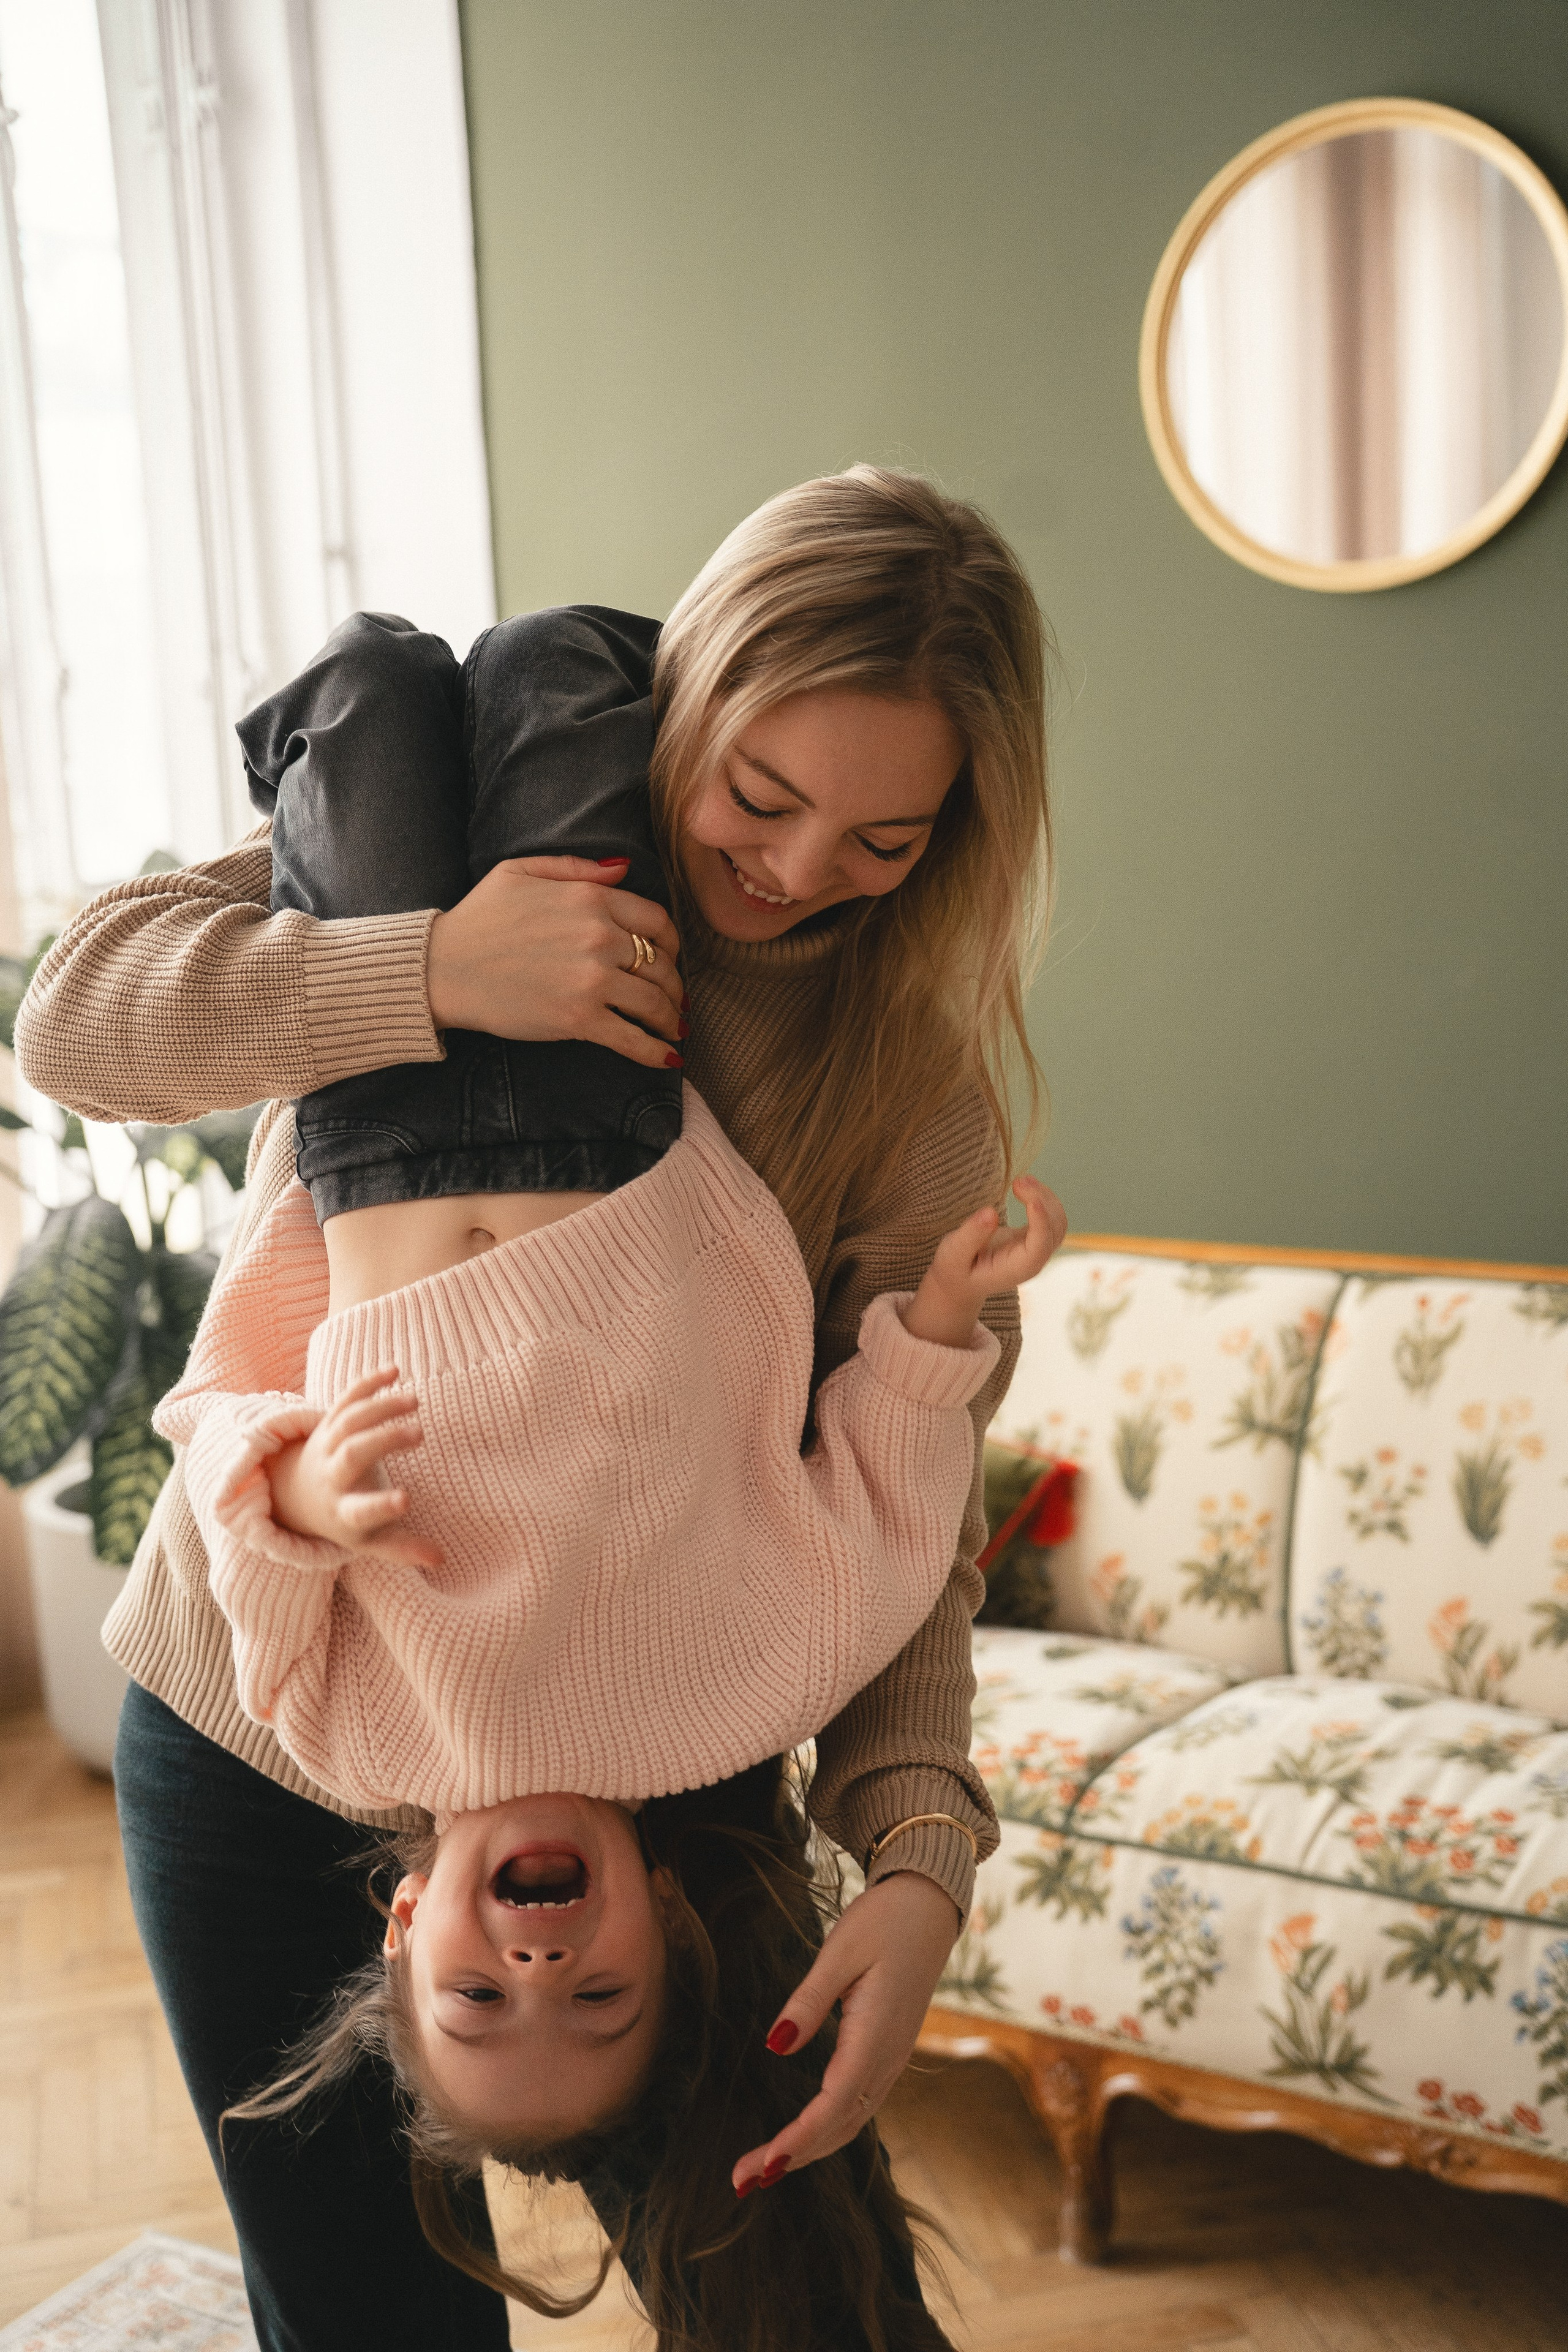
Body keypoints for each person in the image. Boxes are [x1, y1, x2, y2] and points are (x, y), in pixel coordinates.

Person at [16, 466, 1058, 2351]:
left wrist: (917, 1860)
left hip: (659, 1745)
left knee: (811, 2310)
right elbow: (76, 1020)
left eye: (886, 839)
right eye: (758, 793)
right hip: (265, 1707)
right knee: (361, 2318)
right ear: (688, 700)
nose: (803, 871)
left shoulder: (900, 1091)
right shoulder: (475, 851)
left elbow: (901, 1523)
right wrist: (426, 966)